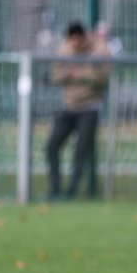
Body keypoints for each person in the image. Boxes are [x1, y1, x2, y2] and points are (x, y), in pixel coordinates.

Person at [44, 21, 111, 200]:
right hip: (69, 105)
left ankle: (71, 191)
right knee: (51, 146)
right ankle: (55, 189)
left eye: (77, 41)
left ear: (83, 37)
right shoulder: (64, 50)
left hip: (90, 106)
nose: (74, 45)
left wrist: (83, 74)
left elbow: (104, 77)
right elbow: (56, 75)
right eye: (71, 41)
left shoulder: (99, 49)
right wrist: (68, 74)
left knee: (80, 150)